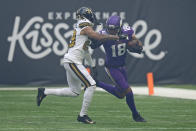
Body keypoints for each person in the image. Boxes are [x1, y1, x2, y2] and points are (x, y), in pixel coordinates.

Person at [36, 7, 126, 124]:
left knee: (74, 92)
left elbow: (86, 50)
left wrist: (93, 66)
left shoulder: (83, 27)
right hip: (73, 61)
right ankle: (82, 115)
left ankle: (44, 92)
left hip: (71, 61)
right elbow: (98, 37)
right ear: (87, 16)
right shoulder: (84, 24)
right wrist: (115, 36)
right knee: (91, 85)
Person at [90, 15, 146, 122]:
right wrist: (99, 41)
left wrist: (134, 44)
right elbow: (94, 44)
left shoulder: (127, 31)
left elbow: (139, 45)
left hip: (122, 66)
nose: (111, 31)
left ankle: (97, 83)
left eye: (114, 29)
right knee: (128, 91)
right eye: (109, 28)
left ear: (119, 27)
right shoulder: (103, 34)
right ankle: (136, 115)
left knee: (120, 94)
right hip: (112, 67)